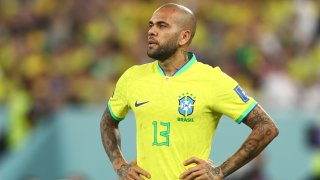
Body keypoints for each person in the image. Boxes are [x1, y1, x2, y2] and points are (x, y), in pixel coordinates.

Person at [100, 3, 279, 180]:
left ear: (183, 37)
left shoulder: (212, 80)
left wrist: (220, 171)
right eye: (151, 25)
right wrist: (120, 166)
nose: (152, 31)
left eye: (162, 26)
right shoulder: (133, 77)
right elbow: (108, 122)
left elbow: (266, 127)